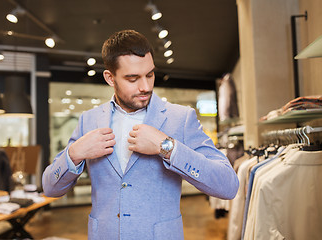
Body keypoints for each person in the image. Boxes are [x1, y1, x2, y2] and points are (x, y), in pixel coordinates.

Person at [42, 30, 239, 240]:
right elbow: (50, 188)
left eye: (150, 74)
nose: (145, 87)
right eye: (132, 78)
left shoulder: (180, 118)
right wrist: (74, 153)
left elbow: (228, 185)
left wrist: (167, 147)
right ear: (110, 78)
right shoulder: (88, 120)